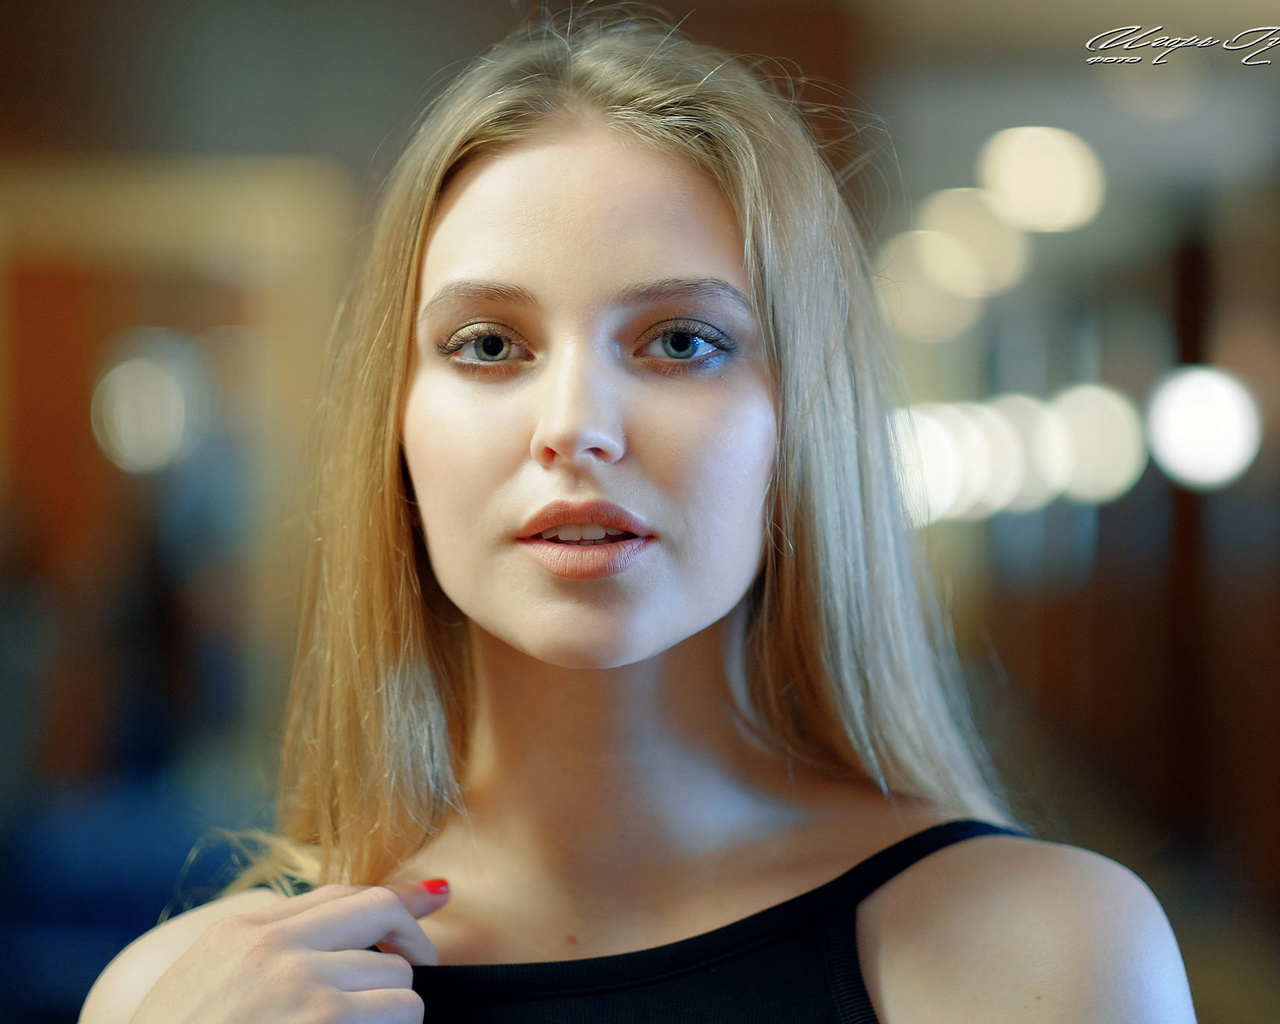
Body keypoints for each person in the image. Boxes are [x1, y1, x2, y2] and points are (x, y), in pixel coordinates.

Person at [81, 7, 1196, 1022]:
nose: (574, 427)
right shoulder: (179, 992)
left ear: (800, 427)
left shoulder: (1041, 953)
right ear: (397, 428)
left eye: (680, 341)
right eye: (487, 345)